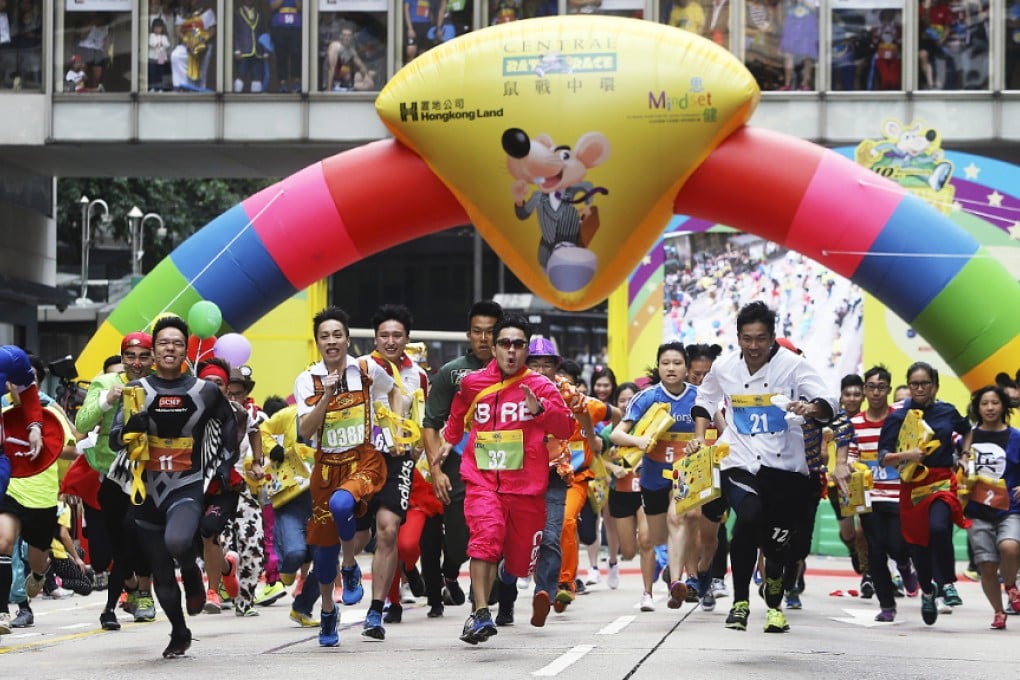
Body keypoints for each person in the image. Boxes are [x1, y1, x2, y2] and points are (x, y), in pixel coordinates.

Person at [688, 301, 837, 633]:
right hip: (739, 461)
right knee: (748, 518)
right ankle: (740, 603)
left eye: (761, 339)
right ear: (738, 337)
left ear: (772, 337)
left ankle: (775, 590)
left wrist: (810, 408)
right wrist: (700, 437)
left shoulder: (794, 367)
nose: (753, 346)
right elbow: (706, 397)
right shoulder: (725, 367)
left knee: (775, 545)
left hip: (784, 470)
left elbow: (831, 402)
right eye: (747, 338)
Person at [436, 313, 572, 644]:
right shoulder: (473, 383)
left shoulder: (542, 387)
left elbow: (566, 428)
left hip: (526, 489)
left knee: (519, 563)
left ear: (526, 349)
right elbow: (457, 415)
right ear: (494, 347)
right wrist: (446, 443)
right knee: (485, 537)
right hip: (482, 481)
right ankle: (480, 614)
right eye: (504, 344)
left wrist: (540, 411)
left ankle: (505, 573)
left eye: (518, 345)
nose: (511, 351)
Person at [109, 315, 239, 658]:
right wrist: (130, 428)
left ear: (185, 349)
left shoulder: (204, 390)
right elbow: (113, 441)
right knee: (161, 572)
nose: (170, 348)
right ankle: (179, 632)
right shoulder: (136, 391)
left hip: (186, 484)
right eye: (164, 343)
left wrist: (226, 462)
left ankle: (193, 573)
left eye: (177, 343)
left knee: (178, 540)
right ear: (154, 349)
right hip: (146, 488)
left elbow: (229, 421)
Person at [293, 305, 400, 647]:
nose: (332, 341)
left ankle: (351, 566)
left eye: (337, 335)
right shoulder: (305, 379)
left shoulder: (367, 369)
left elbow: (397, 391)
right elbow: (304, 430)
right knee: (324, 555)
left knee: (342, 505)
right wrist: (326, 393)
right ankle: (327, 612)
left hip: (364, 461)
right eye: (325, 337)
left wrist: (396, 432)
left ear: (348, 339)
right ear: (317, 343)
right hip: (326, 468)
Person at [421, 300, 502, 619]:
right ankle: (450, 569)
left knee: (498, 528)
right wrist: (436, 469)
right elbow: (431, 423)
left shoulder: (516, 371)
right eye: (477, 332)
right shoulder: (453, 373)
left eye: (491, 332)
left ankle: (486, 600)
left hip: (506, 463)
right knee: (458, 536)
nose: (484, 339)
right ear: (468, 335)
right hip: (460, 464)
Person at [611, 343, 706, 612]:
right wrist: (639, 440)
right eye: (666, 363)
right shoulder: (646, 397)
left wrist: (700, 444)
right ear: (659, 366)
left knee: (679, 518)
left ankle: (677, 583)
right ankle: (671, 573)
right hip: (653, 473)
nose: (672, 368)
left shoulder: (700, 397)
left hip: (686, 471)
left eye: (677, 363)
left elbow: (716, 429)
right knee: (657, 537)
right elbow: (617, 434)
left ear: (687, 368)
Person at [877, 361, 971, 626]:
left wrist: (964, 455)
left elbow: (967, 431)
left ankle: (948, 584)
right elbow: (884, 457)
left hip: (941, 482)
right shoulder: (897, 416)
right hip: (913, 486)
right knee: (918, 543)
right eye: (914, 384)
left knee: (940, 528)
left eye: (924, 383)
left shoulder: (947, 411)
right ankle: (928, 592)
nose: (919, 388)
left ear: (934, 386)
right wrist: (908, 455)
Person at [356, 303, 429, 640]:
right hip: (360, 457)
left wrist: (418, 449)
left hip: (398, 458)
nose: (390, 340)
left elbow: (424, 418)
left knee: (389, 530)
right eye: (384, 335)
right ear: (374, 338)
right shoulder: (360, 367)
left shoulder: (419, 375)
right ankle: (342, 574)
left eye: (397, 335)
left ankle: (376, 611)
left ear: (407, 338)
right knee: (354, 536)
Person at [74, 331, 156, 630]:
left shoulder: (160, 385)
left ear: (154, 359)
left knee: (136, 535)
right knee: (105, 552)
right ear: (122, 359)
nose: (137, 363)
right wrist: (108, 400)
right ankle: (132, 586)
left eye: (143, 356)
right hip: (109, 478)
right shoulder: (106, 383)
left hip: (148, 476)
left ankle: (123, 604)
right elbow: (81, 425)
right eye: (130, 357)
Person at [961, 385, 1020, 630]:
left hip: (1009, 508)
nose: (990, 407)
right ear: (977, 408)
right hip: (976, 511)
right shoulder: (969, 437)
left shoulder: (1015, 437)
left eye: (995, 402)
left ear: (1004, 406)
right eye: (984, 403)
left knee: (1009, 547)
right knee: (985, 565)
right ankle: (998, 612)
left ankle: (1010, 586)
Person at [0, 345, 44, 637]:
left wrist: (35, 426)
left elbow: (28, 390)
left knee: (3, 540)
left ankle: (2, 610)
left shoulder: (10, 358)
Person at [171, 0, 216, 91]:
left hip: (203, 44)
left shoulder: (207, 11)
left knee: (202, 71)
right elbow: (178, 30)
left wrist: (199, 41)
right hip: (187, 43)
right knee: (176, 55)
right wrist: (187, 41)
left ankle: (200, 91)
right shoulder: (181, 12)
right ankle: (181, 86)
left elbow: (212, 31)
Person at [324, 25, 374, 92]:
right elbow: (331, 68)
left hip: (344, 80)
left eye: (349, 35)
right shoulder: (335, 46)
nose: (346, 38)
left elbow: (361, 66)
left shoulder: (351, 50)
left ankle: (349, 87)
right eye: (344, 35)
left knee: (367, 77)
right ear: (340, 36)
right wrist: (328, 90)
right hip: (332, 81)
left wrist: (367, 76)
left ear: (351, 37)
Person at [232, 0, 268, 93]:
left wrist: (265, 51)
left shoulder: (259, 15)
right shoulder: (237, 13)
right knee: (241, 75)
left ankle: (256, 101)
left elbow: (263, 33)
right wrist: (236, 50)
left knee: (257, 76)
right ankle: (236, 97)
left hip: (257, 51)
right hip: (243, 51)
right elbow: (234, 33)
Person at [268, 0, 301, 92]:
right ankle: (282, 83)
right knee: (281, 55)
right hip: (279, 26)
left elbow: (300, 7)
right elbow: (273, 6)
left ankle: (296, 81)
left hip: (295, 26)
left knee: (296, 53)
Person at [149, 17, 172, 92]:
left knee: (160, 73)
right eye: (156, 28)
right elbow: (151, 43)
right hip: (152, 57)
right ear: (153, 28)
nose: (157, 30)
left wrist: (161, 44)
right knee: (153, 73)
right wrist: (158, 44)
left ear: (162, 28)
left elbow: (167, 44)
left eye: (159, 28)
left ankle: (160, 88)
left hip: (161, 55)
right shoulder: (151, 36)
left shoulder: (164, 36)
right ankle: (152, 87)